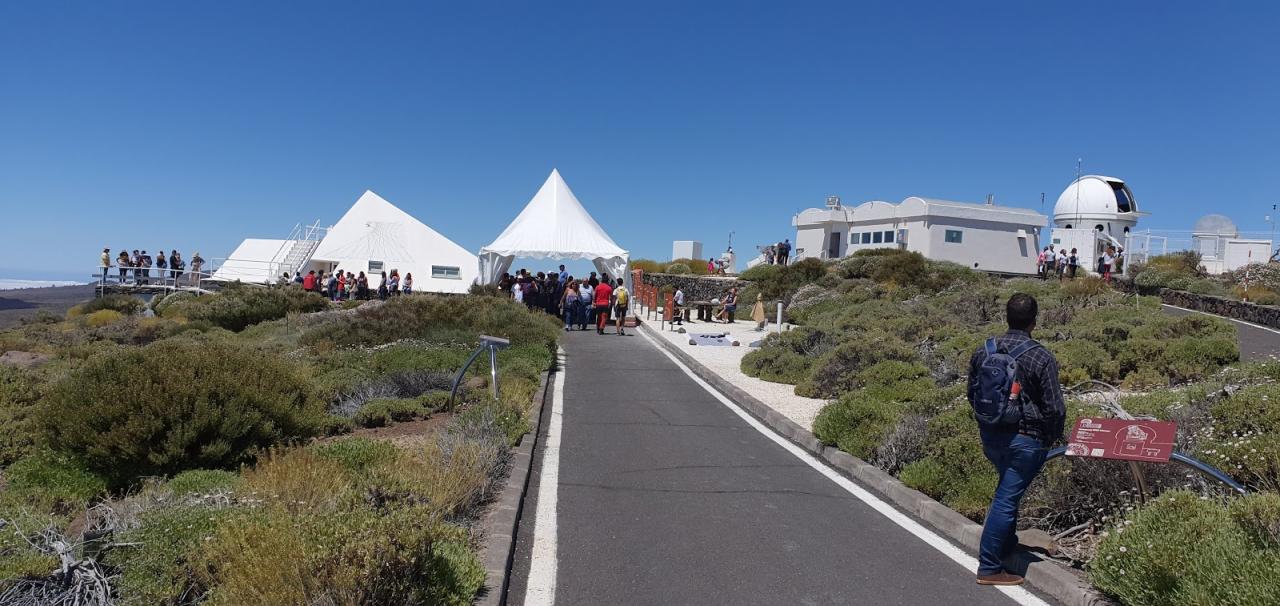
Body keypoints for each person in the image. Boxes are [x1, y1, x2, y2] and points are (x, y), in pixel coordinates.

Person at [966, 294, 1064, 586]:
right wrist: (1050, 437)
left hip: (991, 435)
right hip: (1026, 439)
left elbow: (972, 393)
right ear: (1035, 320)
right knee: (1007, 500)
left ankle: (1005, 547)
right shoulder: (1040, 356)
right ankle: (989, 566)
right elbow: (1055, 407)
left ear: (1006, 317)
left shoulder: (984, 350)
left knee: (1006, 492)